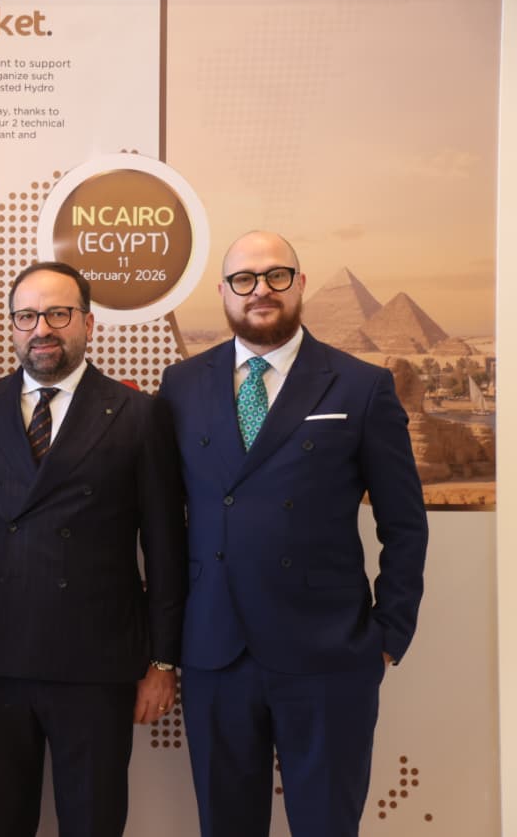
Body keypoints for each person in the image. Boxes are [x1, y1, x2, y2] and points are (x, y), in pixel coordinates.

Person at [157, 231, 428, 837]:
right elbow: (166, 522)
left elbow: (405, 522)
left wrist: (389, 633)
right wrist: (166, 645)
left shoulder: (360, 385)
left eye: (276, 276)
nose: (261, 290)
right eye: (244, 279)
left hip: (328, 652)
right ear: (223, 291)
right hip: (215, 651)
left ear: (300, 284)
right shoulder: (181, 385)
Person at [0, 261, 187, 837]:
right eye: (27, 316)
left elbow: (165, 548)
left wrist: (162, 661)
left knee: (94, 823)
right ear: (12, 326)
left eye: (58, 314)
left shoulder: (138, 413)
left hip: (97, 664)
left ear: (87, 323)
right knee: (1, 825)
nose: (42, 329)